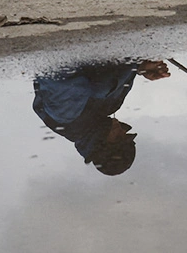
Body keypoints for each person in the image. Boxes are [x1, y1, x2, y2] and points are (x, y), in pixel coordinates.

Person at [32, 59, 170, 175]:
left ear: (100, 144)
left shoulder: (66, 114)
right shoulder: (111, 106)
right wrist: (140, 68)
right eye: (124, 134)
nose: (122, 130)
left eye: (118, 137)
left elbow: (56, 67)